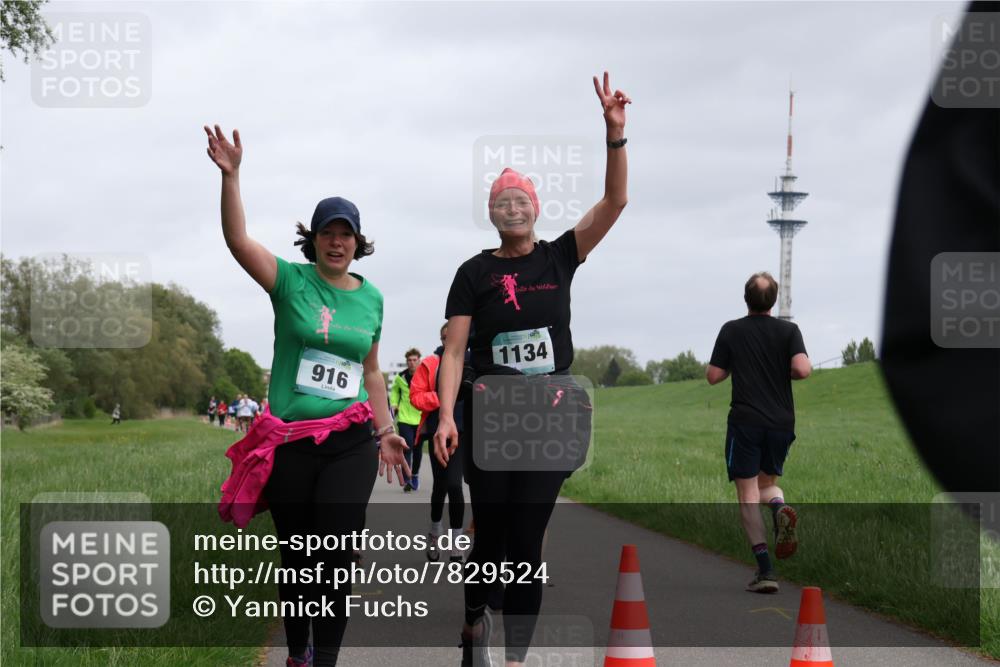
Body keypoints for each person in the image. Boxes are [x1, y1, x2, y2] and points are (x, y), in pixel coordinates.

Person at [434, 72, 629, 667]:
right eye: (501, 201)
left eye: (521, 199)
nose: (512, 207)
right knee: (491, 536)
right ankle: (474, 623)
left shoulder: (560, 256)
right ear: (491, 214)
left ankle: (516, 658)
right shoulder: (473, 273)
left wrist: (614, 135)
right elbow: (456, 351)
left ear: (536, 209)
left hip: (550, 416)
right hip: (491, 417)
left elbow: (615, 202)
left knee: (526, 541)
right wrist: (445, 414)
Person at [205, 124, 409, 667]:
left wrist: (386, 431)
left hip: (348, 442)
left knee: (337, 554)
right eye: (328, 233)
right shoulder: (290, 282)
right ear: (313, 238)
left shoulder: (372, 300)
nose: (337, 241)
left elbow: (370, 372)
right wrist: (232, 177)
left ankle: (326, 659)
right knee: (299, 559)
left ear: (358, 242)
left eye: (347, 234)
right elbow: (237, 242)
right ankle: (297, 653)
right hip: (292, 444)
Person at [706, 271, 811, 594]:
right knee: (767, 486)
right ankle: (780, 508)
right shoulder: (789, 331)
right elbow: (802, 369)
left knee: (747, 495)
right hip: (781, 423)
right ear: (774, 300)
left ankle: (766, 571)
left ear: (746, 298)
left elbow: (713, 376)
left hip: (746, 422)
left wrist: (735, 362)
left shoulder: (732, 330)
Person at [410, 323, 467, 562]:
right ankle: (435, 531)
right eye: (445, 337)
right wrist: (444, 396)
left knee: (455, 486)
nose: (449, 340)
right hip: (438, 433)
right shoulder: (430, 364)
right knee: (441, 487)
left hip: (465, 432)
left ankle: (456, 541)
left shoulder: (472, 361)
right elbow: (416, 397)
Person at [389, 348, 423, 491]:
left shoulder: (424, 376)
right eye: (409, 360)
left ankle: (414, 474)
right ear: (406, 362)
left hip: (421, 418)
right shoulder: (400, 377)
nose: (412, 363)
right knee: (406, 448)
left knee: (418, 449)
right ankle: (408, 479)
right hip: (404, 418)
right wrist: (394, 404)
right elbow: (395, 392)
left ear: (419, 360)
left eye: (414, 360)